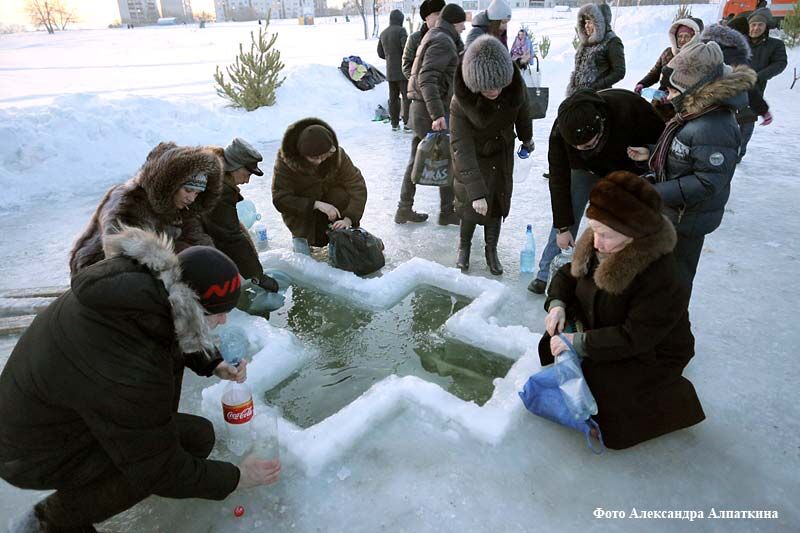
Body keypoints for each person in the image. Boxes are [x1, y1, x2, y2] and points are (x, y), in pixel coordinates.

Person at [0, 229, 280, 531]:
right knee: (150, 467)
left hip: (56, 415)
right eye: (218, 313)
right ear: (189, 305)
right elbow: (159, 467)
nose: (224, 321)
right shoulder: (129, 365)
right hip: (35, 449)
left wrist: (214, 363)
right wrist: (239, 477)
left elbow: (167, 329)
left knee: (197, 438)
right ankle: (49, 520)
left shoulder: (143, 289)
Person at [540, 171, 705, 450]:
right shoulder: (597, 241)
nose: (595, 241)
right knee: (549, 344)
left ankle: (673, 398)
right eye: (595, 230)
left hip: (651, 350)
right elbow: (568, 276)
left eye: (605, 235)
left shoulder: (661, 274)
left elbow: (636, 336)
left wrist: (578, 341)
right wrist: (557, 306)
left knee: (606, 397)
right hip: (603, 325)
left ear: (634, 233)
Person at [627, 41, 756, 294]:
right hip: (674, 213)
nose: (669, 96)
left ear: (694, 88)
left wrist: (655, 191)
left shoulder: (714, 124)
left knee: (674, 284)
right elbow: (686, 154)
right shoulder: (695, 113)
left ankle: (670, 328)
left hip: (688, 220)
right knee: (658, 280)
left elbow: (707, 181)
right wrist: (652, 153)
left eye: (674, 91)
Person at [527, 88, 664, 294]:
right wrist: (563, 227)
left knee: (615, 223)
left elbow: (666, 141)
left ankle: (612, 278)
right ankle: (546, 274)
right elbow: (559, 180)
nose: (583, 148)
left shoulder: (628, 108)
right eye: (577, 147)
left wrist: (649, 152)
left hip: (626, 168)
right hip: (585, 170)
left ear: (600, 126)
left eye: (589, 144)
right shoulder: (560, 132)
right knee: (568, 209)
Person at [69, 142, 223, 276]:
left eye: (197, 193)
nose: (192, 198)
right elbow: (121, 254)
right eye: (188, 190)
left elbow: (195, 238)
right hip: (96, 270)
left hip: (139, 273)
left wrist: (213, 263)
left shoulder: (180, 207)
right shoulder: (128, 201)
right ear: (171, 185)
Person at [450, 35, 533, 275]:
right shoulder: (460, 102)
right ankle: (463, 248)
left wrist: (527, 138)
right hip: (473, 157)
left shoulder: (514, 88)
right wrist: (476, 192)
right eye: (487, 88)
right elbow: (460, 146)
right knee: (470, 205)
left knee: (497, 201)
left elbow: (523, 111)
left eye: (498, 85)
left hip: (502, 152)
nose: (494, 91)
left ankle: (491, 250)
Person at [396, 3, 466, 226]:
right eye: (462, 23)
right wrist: (437, 114)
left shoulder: (439, 37)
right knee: (443, 157)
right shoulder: (442, 40)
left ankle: (407, 208)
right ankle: (444, 211)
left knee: (430, 158)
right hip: (430, 111)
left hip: (423, 108)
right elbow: (426, 77)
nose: (464, 28)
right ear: (455, 22)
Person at [272, 118, 368, 253]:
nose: (319, 162)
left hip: (332, 210)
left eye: (323, 157)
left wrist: (349, 219)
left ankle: (343, 233)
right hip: (303, 216)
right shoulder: (285, 160)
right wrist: (316, 204)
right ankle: (301, 238)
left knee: (341, 194)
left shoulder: (337, 155)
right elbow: (280, 199)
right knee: (304, 256)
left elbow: (357, 185)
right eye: (313, 158)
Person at [201, 137, 279, 294]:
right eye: (247, 174)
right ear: (235, 167)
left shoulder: (215, 174)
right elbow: (231, 237)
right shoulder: (221, 190)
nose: (247, 181)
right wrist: (257, 275)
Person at [700, 23, 772, 160]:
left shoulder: (700, 50)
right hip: (728, 107)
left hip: (700, 105)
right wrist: (763, 110)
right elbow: (747, 84)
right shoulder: (736, 53)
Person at [739, 8, 786, 160]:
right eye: (753, 25)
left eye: (760, 25)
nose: (756, 28)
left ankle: (739, 152)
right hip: (732, 88)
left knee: (746, 123)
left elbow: (780, 63)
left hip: (755, 90)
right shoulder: (739, 42)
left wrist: (758, 76)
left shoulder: (775, 45)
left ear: (766, 27)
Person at [566, 2, 625, 97]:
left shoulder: (612, 42)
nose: (586, 26)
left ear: (599, 23)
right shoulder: (586, 43)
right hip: (578, 96)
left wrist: (596, 87)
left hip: (598, 97)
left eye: (589, 22)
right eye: (585, 22)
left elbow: (619, 71)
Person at [635, 17, 702, 95]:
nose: (682, 40)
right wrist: (642, 84)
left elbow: (694, 86)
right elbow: (655, 73)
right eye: (680, 36)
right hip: (660, 99)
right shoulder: (668, 52)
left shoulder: (697, 56)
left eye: (686, 36)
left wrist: (672, 95)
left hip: (682, 103)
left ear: (693, 38)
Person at [378, 9, 411, 131]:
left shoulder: (383, 33)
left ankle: (394, 124)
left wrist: (389, 57)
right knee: (406, 98)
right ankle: (407, 123)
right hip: (403, 71)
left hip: (390, 72)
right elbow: (406, 49)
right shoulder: (401, 31)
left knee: (393, 98)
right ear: (400, 20)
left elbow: (380, 53)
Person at [401, 0, 445, 81]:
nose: (441, 17)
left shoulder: (451, 36)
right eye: (437, 14)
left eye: (443, 14)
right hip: (422, 90)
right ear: (426, 17)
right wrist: (421, 82)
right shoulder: (415, 39)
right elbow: (406, 65)